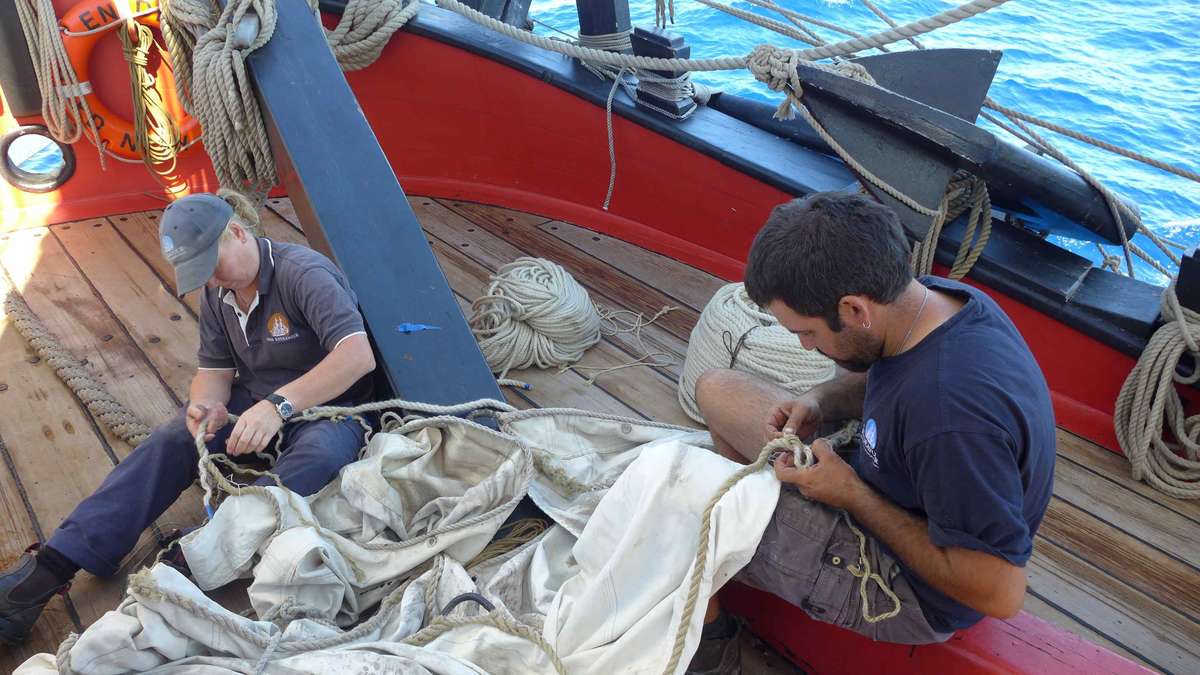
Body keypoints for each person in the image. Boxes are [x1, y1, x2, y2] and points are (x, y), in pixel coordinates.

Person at [685, 193, 1056, 674]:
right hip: (886, 476)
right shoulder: (931, 304)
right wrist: (819, 399)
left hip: (904, 585)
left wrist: (852, 495)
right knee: (716, 389)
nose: (805, 345)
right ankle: (747, 532)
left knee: (685, 507)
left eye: (809, 333)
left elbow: (999, 591)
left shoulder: (950, 418)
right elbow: (888, 374)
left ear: (856, 310)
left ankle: (712, 652)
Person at [0, 193, 377, 646]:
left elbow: (356, 356)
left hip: (332, 410)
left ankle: (191, 560)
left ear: (237, 233)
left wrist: (278, 406)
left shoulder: (304, 275)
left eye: (211, 266)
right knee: (171, 438)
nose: (210, 280)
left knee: (314, 459)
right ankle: (50, 569)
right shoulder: (220, 292)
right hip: (256, 404)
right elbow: (214, 373)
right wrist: (204, 408)